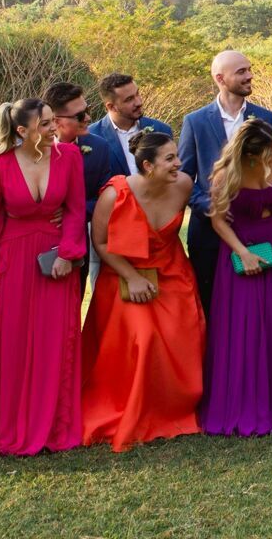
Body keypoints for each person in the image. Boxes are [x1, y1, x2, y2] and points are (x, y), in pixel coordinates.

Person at [0, 98, 85, 456]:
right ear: (22, 131)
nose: (55, 128)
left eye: (54, 121)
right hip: (13, 259)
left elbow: (75, 209)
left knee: (55, 341)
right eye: (46, 124)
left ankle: (54, 424)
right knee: (10, 342)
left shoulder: (69, 156)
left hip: (55, 261)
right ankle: (7, 427)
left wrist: (68, 253)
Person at [82, 132, 205, 451]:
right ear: (147, 165)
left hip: (173, 275)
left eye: (177, 156)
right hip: (125, 277)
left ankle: (175, 407)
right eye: (170, 159)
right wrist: (132, 277)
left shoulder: (183, 186)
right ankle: (133, 408)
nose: (179, 163)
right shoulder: (115, 193)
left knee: (186, 333)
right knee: (144, 336)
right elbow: (102, 242)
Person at [203, 119, 272, 436]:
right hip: (240, 249)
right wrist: (242, 253)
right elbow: (218, 222)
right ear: (251, 154)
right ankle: (243, 402)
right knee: (244, 327)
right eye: (269, 151)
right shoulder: (226, 175)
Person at [177, 51, 272, 314]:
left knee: (252, 305)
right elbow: (184, 177)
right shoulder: (194, 121)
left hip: (254, 228)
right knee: (212, 305)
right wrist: (211, 206)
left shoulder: (266, 117)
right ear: (221, 78)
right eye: (242, 72)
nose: (250, 76)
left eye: (249, 69)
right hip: (209, 233)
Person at [48, 81, 123, 232]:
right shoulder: (35, 149)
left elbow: (106, 197)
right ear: (56, 121)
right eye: (80, 115)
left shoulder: (99, 147)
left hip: (80, 234)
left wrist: (73, 211)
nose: (88, 118)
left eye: (87, 110)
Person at [87, 72, 172, 179]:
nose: (138, 102)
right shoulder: (92, 137)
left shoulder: (161, 130)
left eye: (137, 94)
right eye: (129, 99)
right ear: (111, 107)